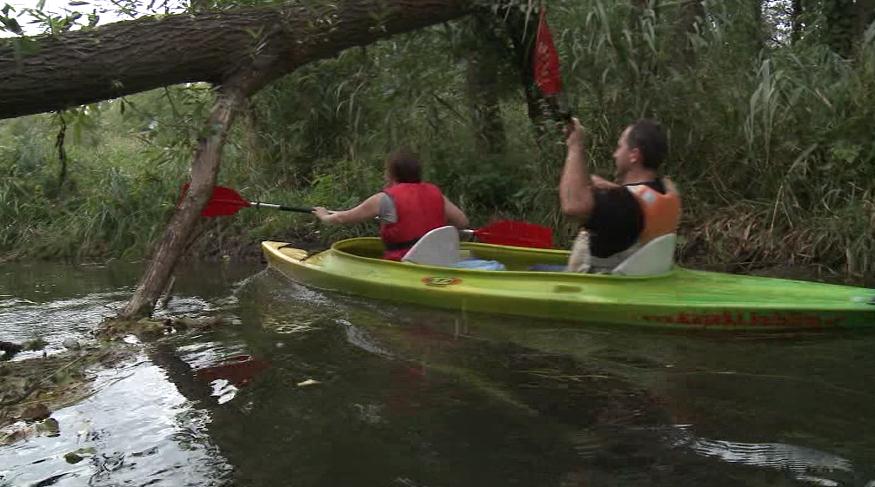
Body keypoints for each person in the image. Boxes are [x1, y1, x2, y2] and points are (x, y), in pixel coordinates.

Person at [559, 117, 681, 272]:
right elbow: (634, 202)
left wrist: (575, 146)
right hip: (640, 283)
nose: (615, 154)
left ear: (634, 155)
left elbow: (573, 206)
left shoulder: (623, 205)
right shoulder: (665, 190)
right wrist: (614, 189)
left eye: (619, 147)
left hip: (594, 289)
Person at [312, 149, 469, 261]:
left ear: (392, 173)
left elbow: (343, 218)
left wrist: (324, 216)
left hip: (407, 262)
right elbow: (463, 222)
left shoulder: (384, 199)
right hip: (441, 259)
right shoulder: (437, 194)